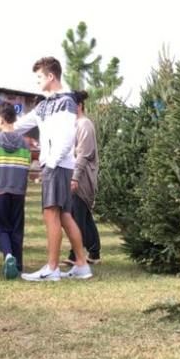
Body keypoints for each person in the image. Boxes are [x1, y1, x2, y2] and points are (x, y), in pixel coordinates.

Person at [0, 57, 91, 282]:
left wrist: (52, 164)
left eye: (39, 77)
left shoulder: (65, 102)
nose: (36, 82)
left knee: (51, 214)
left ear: (50, 76)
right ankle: (82, 265)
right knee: (65, 215)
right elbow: (16, 126)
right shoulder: (45, 105)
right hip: (57, 165)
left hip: (56, 165)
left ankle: (52, 268)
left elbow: (67, 138)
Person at [0, 102, 31, 279]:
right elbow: (26, 167)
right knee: (17, 228)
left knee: (1, 226)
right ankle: (18, 264)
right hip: (18, 191)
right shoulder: (25, 144)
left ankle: (8, 255)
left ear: (1, 120)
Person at [67, 90, 100, 265]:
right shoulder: (74, 125)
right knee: (83, 215)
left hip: (82, 178)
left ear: (79, 106)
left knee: (77, 216)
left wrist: (74, 178)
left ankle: (75, 254)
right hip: (75, 176)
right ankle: (94, 252)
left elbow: (83, 154)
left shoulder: (84, 125)